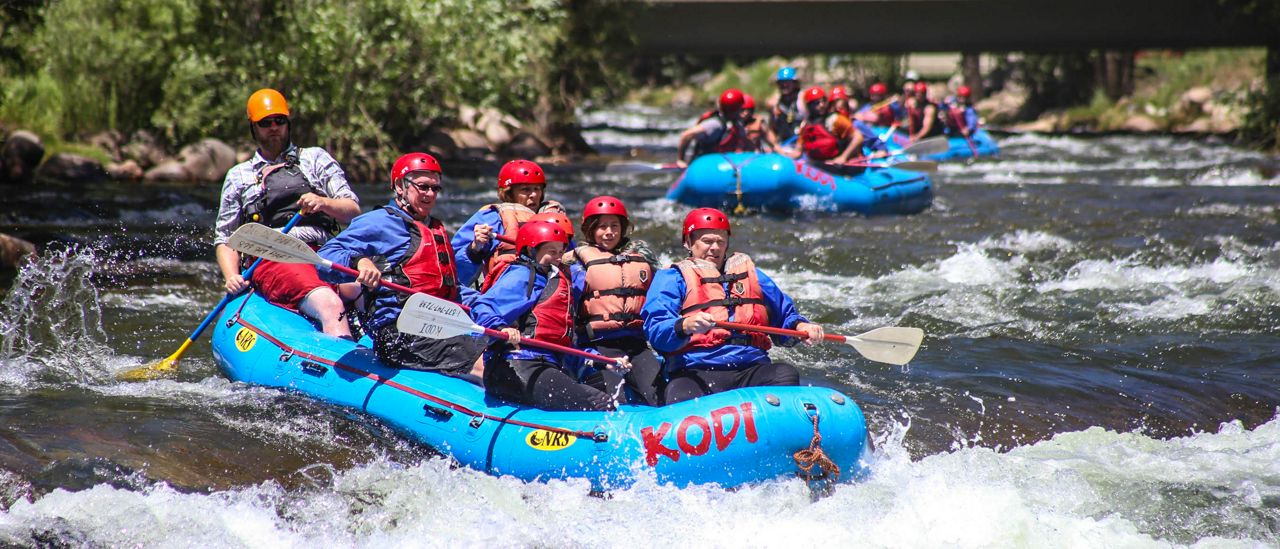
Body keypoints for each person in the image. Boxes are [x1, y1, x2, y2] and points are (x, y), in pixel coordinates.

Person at [316, 153, 488, 377]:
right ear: (400, 186)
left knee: (503, 348)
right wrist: (360, 261)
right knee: (490, 364)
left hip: (443, 323)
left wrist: (489, 310)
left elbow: (449, 286)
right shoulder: (379, 222)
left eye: (435, 189)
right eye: (423, 187)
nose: (430, 194)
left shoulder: (435, 228)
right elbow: (325, 258)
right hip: (400, 333)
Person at [215, 88, 360, 338]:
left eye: (279, 121)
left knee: (357, 288)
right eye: (265, 123)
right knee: (330, 304)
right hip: (273, 255)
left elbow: (352, 210)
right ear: (253, 127)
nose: (273, 127)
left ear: (288, 123)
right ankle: (347, 370)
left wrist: (323, 203)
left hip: (324, 252)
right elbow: (226, 238)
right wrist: (231, 276)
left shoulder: (315, 159)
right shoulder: (239, 176)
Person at [642, 208, 825, 404]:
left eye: (720, 241)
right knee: (679, 393)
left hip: (749, 368)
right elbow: (656, 330)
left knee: (785, 374)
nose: (715, 247)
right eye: (707, 241)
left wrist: (800, 326)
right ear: (688, 242)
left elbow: (784, 316)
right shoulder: (672, 277)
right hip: (696, 370)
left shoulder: (752, 275)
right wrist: (684, 326)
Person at [472, 220, 631, 411]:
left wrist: (603, 361)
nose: (558, 257)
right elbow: (483, 307)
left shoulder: (559, 282)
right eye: (551, 251)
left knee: (603, 393)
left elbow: (563, 344)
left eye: (560, 251)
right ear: (531, 252)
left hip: (545, 365)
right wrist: (500, 328)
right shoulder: (522, 276)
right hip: (515, 366)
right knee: (599, 402)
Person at [567, 196, 664, 405]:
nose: (609, 232)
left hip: (637, 345)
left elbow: (662, 294)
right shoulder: (576, 264)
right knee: (611, 401)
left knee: (658, 398)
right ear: (591, 229)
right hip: (598, 345)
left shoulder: (643, 257)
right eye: (602, 227)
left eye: (614, 225)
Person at [451, 159, 564, 291]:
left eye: (537, 189)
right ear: (509, 193)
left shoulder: (555, 219)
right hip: (506, 293)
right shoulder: (492, 217)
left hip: (550, 294)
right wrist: (474, 250)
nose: (533, 195)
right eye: (526, 189)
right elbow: (454, 269)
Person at [675, 89, 750, 168]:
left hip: (723, 164)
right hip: (704, 165)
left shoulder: (737, 125)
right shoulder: (715, 125)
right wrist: (680, 160)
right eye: (741, 109)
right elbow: (686, 135)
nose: (742, 112)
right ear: (734, 110)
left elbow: (746, 142)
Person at [766, 66, 803, 148]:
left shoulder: (802, 99)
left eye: (787, 82)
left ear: (795, 83)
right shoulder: (775, 103)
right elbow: (771, 129)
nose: (784, 85)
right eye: (781, 82)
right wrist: (775, 146)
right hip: (784, 146)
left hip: (802, 145)